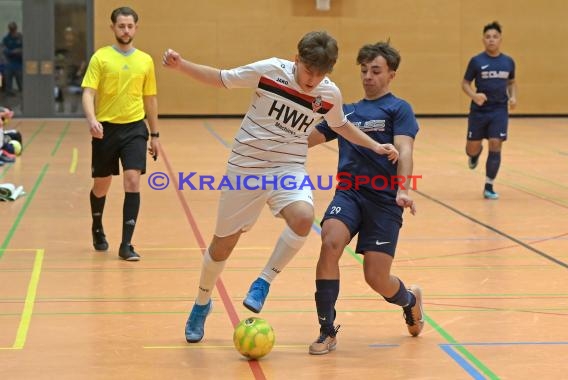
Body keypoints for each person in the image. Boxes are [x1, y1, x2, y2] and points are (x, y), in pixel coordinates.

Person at [162, 31, 399, 343]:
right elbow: (221, 78)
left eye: (321, 73)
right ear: (296, 59)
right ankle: (202, 302)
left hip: (287, 169)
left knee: (303, 217)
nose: (313, 79)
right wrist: (182, 66)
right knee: (222, 246)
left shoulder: (329, 94)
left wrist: (375, 146)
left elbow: (341, 126)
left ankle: (264, 281)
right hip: (245, 169)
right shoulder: (270, 71)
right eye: (308, 70)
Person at [306, 41, 423, 355]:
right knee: (329, 240)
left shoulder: (399, 109)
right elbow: (308, 139)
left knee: (376, 277)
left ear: (391, 74)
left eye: (376, 71)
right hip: (350, 193)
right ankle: (326, 330)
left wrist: (403, 188)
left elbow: (406, 149)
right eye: (364, 70)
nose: (368, 76)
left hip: (385, 200)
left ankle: (409, 300)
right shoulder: (346, 112)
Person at [81, 6, 160, 261]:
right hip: (105, 129)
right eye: (121, 26)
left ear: (136, 28)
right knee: (101, 186)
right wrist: (92, 119)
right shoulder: (101, 58)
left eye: (130, 26)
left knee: (132, 180)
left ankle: (126, 244)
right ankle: (97, 226)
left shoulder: (145, 60)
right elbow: (88, 93)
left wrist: (155, 134)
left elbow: (150, 98)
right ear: (113, 27)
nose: (126, 30)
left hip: (135, 128)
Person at [462, 21, 517, 200]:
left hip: (499, 110)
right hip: (479, 111)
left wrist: (513, 96)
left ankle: (489, 185)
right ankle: (474, 155)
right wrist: (474, 96)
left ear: (500, 39)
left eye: (495, 37)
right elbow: (465, 84)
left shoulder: (508, 61)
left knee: (496, 143)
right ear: (483, 40)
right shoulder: (477, 61)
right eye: (488, 37)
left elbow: (511, 82)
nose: (491, 40)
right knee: (471, 148)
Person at [2, 22, 23, 95]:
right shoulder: (6, 39)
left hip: (19, 64)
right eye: (11, 29)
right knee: (8, 84)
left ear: (16, 29)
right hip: (9, 63)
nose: (12, 31)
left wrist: (19, 50)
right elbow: (4, 50)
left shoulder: (21, 37)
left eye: (13, 29)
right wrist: (12, 52)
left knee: (21, 84)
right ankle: (9, 96)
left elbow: (25, 49)